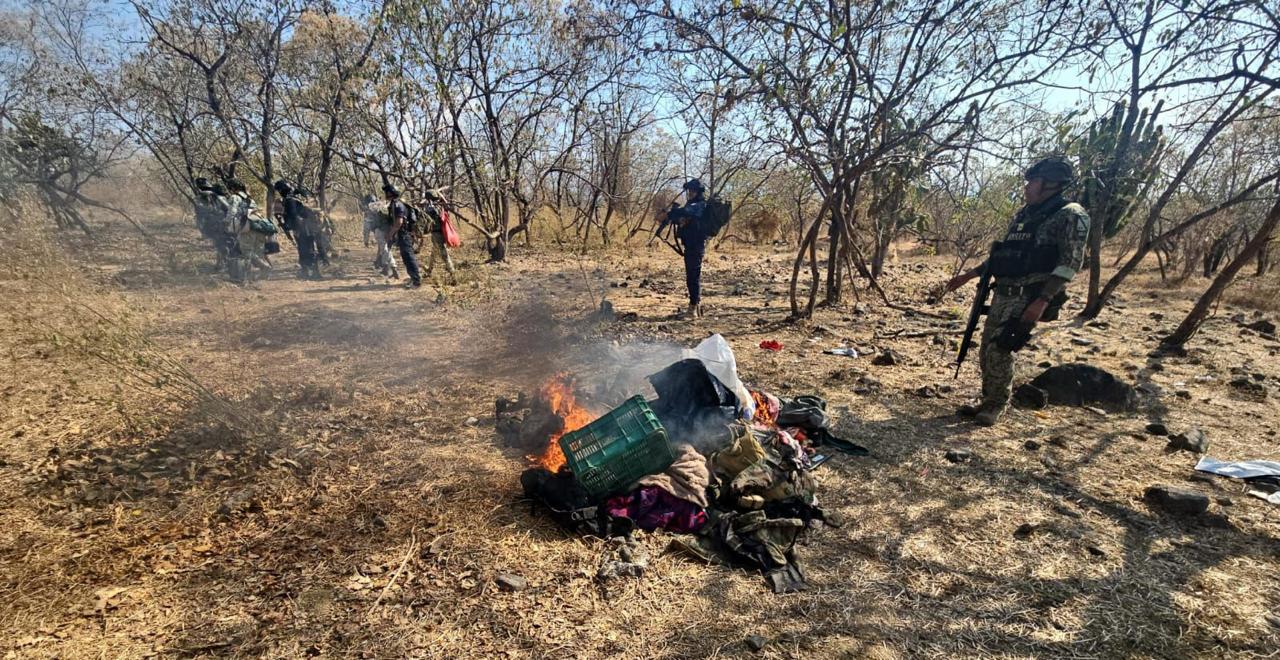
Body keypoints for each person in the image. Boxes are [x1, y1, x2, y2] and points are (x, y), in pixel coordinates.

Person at [939, 156, 1091, 426]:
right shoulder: (1025, 215)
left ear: (1050, 184)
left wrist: (1043, 299)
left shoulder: (1070, 214)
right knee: (987, 349)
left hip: (1030, 295)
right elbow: (1004, 255)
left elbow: (1070, 263)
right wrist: (970, 275)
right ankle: (989, 399)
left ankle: (997, 405)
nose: (1027, 187)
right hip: (1003, 292)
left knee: (1002, 348)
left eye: (1032, 182)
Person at [667, 178, 710, 319]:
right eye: (689, 190)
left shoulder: (699, 205)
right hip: (690, 245)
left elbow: (685, 212)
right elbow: (681, 217)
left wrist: (674, 213)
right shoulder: (692, 205)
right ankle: (695, 307)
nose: (690, 193)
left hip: (696, 246)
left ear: (698, 192)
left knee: (693, 277)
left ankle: (693, 309)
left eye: (693, 190)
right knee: (691, 277)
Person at [276, 179, 323, 280]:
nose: (279, 192)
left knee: (307, 250)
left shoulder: (289, 200)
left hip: (303, 229)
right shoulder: (296, 197)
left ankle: (314, 273)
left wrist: (287, 226)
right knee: (305, 250)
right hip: (306, 228)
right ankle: (306, 272)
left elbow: (293, 215)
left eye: (279, 190)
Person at [383, 183, 422, 288]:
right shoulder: (395, 204)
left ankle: (416, 281)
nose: (385, 194)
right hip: (403, 234)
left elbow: (399, 222)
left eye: (387, 192)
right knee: (406, 257)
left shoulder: (397, 205)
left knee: (409, 257)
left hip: (404, 234)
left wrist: (390, 234)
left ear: (391, 193)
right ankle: (413, 278)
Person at [421, 189, 457, 285]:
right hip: (442, 232)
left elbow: (427, 216)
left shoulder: (431, 208)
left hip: (437, 234)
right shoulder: (442, 206)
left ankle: (453, 275)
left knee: (444, 254)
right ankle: (429, 270)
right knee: (434, 251)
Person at [361, 193, 399, 279]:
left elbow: (366, 228)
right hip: (390, 230)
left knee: (385, 249)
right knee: (384, 249)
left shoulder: (369, 210)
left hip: (379, 231)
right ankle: (385, 268)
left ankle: (393, 267)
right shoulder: (383, 204)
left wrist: (366, 240)